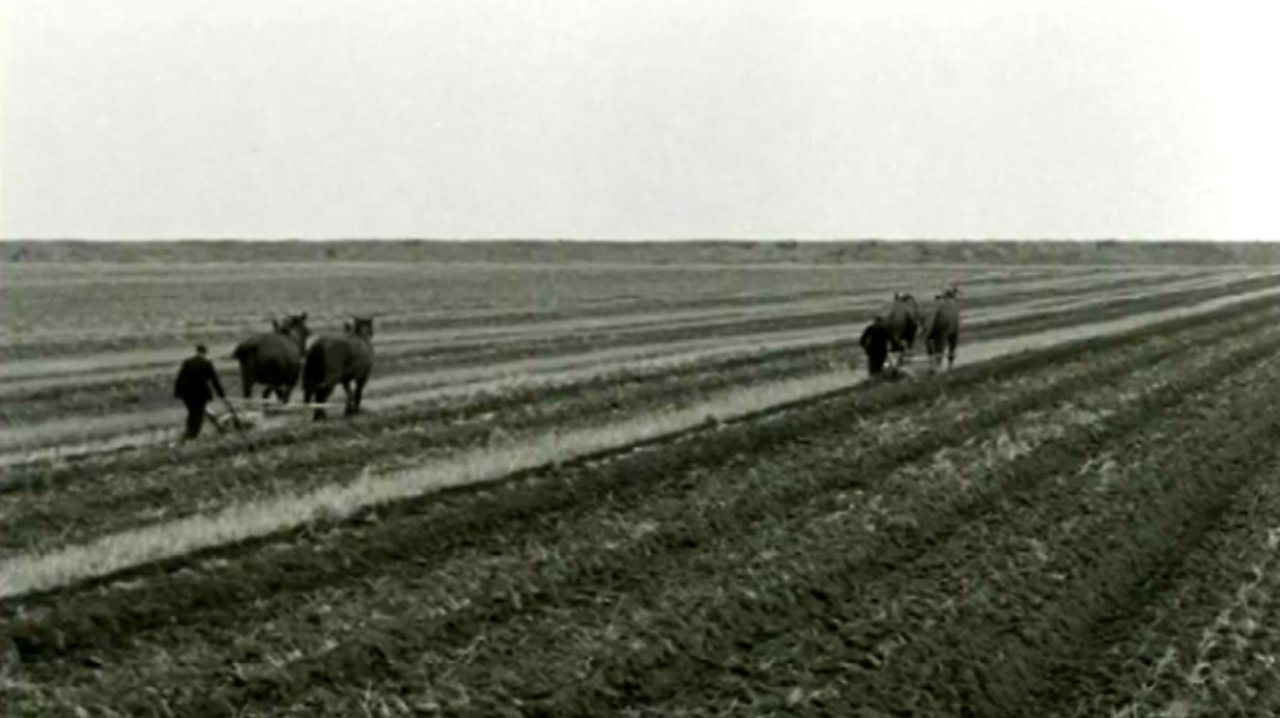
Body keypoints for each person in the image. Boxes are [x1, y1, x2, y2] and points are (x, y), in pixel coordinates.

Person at [174, 344, 227, 440]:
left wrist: (177, 392)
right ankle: (193, 434)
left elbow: (179, 378)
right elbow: (215, 380)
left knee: (192, 413)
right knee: (198, 415)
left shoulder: (187, 362)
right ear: (205, 353)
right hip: (201, 393)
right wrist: (221, 394)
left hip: (188, 393)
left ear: (196, 351)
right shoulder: (207, 364)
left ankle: (189, 432)